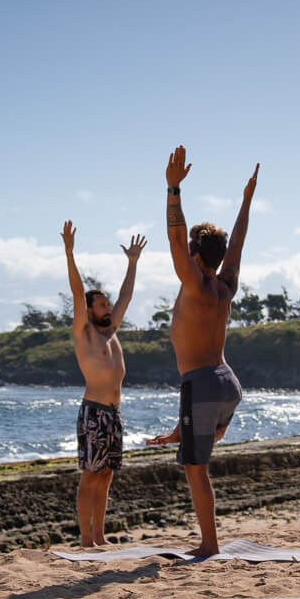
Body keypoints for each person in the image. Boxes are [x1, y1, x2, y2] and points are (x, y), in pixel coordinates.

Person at [146, 146, 259, 557]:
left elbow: (177, 234)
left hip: (201, 384)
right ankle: (187, 431)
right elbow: (239, 243)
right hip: (228, 383)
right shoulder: (224, 287)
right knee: (197, 442)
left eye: (189, 248)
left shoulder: (194, 283)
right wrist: (245, 203)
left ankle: (209, 545)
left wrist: (173, 188)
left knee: (196, 467)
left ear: (195, 255)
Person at [60, 220, 146, 547]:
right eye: (102, 305)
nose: (108, 307)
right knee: (90, 476)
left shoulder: (112, 333)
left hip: (114, 414)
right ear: (90, 311)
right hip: (94, 413)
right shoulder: (85, 335)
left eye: (108, 304)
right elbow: (77, 291)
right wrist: (70, 253)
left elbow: (126, 295)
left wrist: (132, 264)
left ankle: (99, 536)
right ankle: (85, 539)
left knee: (106, 476)